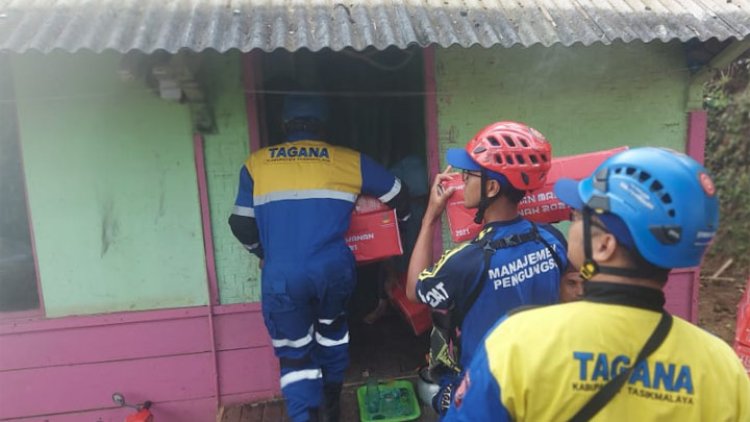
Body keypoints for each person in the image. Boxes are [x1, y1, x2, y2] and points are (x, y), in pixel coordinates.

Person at [444, 147, 750, 421]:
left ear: (604, 245)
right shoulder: (724, 369)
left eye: (578, 216)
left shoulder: (517, 342)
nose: (571, 222)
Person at [229, 94, 410, 422]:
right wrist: (404, 231)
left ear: (285, 125)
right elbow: (398, 193)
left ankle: (307, 417)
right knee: (332, 332)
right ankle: (331, 407)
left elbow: (240, 224)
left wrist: (264, 253)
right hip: (332, 272)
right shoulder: (348, 160)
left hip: (281, 276)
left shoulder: (256, 164)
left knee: (296, 355)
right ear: (324, 125)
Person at [406, 121, 568, 415]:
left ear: (492, 187)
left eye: (468, 176)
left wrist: (430, 216)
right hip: (542, 386)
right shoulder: (552, 239)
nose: (462, 182)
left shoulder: (467, 261)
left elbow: (414, 289)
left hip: (482, 393)